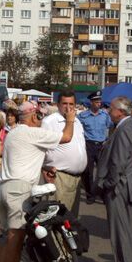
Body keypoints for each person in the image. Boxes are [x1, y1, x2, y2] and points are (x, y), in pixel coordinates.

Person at [0, 101, 76, 262]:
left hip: (4, 188)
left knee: (7, 237)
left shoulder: (13, 133)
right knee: (16, 238)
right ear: (34, 117)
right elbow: (67, 137)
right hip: (19, 190)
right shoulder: (32, 133)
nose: (41, 120)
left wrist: (43, 167)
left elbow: (23, 156)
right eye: (40, 116)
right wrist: (70, 120)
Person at [96, 96, 132, 262]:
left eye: (111, 109)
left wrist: (108, 184)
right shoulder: (130, 126)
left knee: (120, 230)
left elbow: (118, 162)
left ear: (120, 111)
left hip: (121, 188)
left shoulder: (124, 129)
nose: (109, 111)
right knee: (126, 229)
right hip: (129, 185)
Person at [41, 89, 87, 218]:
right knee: (57, 217)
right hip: (60, 176)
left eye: (71, 104)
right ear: (58, 104)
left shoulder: (77, 122)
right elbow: (42, 149)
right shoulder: (50, 122)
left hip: (76, 178)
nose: (68, 107)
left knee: (71, 217)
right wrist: (44, 168)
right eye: (64, 104)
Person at [78, 90, 112, 204]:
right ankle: (90, 195)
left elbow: (111, 127)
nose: (99, 103)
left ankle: (103, 194)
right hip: (89, 145)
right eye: (96, 101)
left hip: (102, 146)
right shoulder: (82, 116)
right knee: (88, 172)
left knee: (103, 172)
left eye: (100, 101)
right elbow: (77, 130)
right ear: (91, 102)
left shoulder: (105, 115)